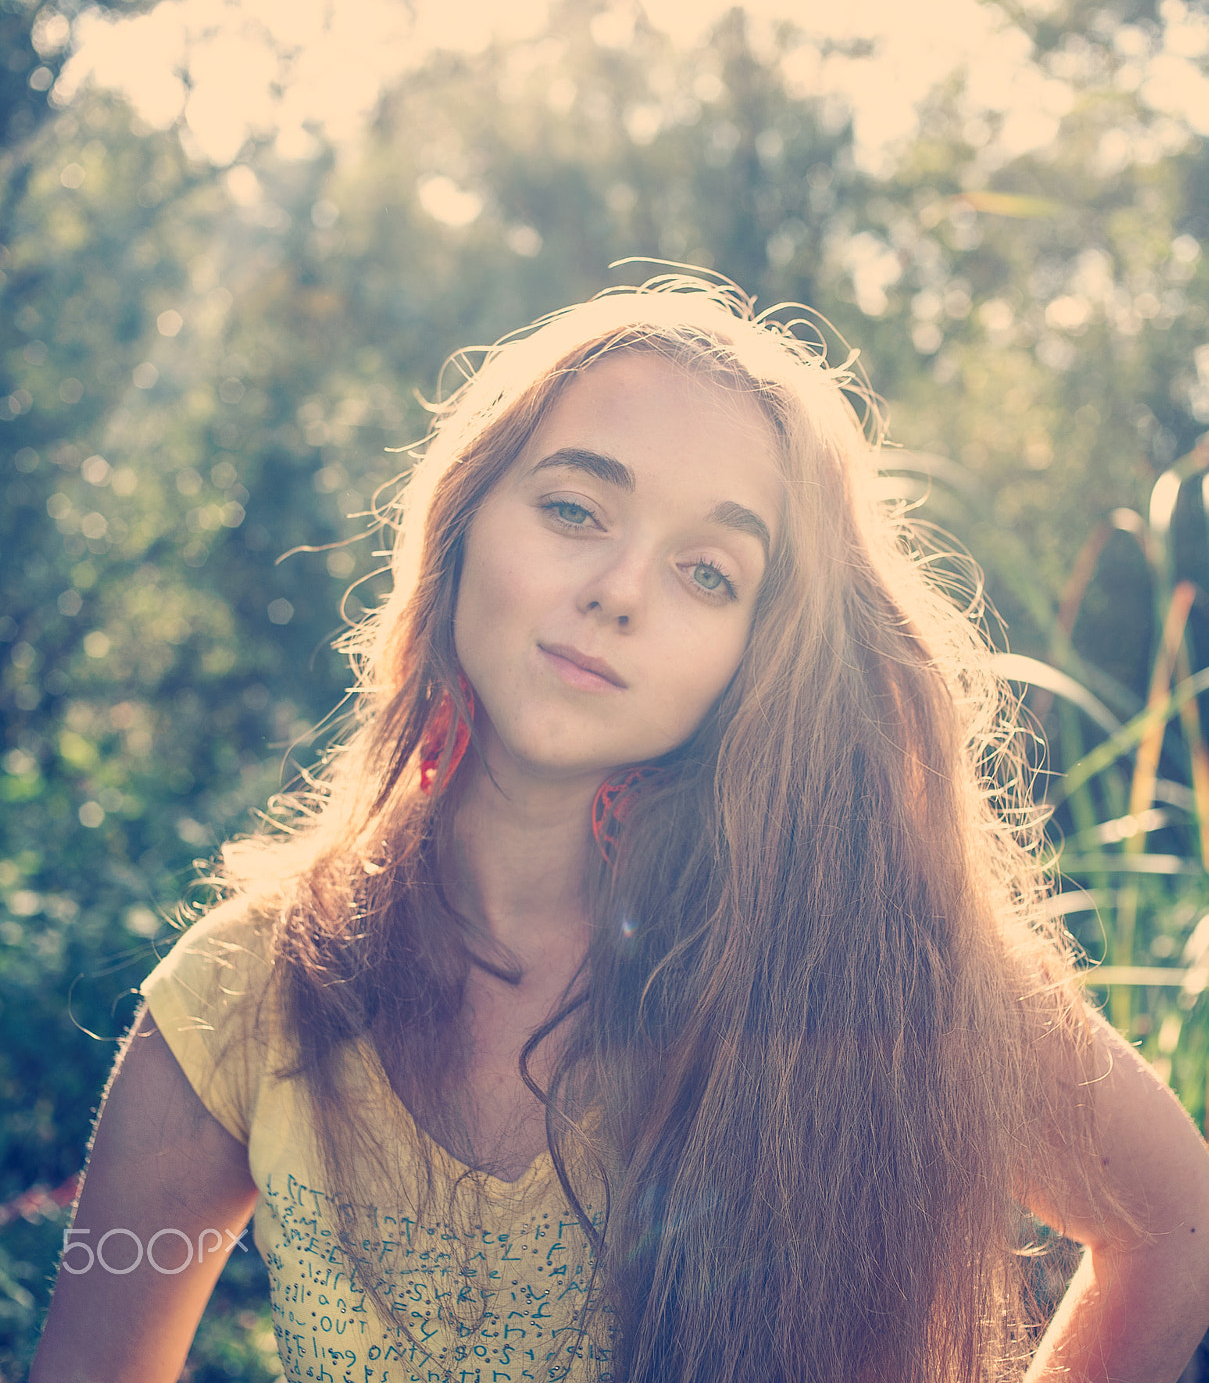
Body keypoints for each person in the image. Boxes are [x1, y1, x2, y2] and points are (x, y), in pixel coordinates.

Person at [31, 275, 1209, 1383]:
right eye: (573, 508)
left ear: (759, 656)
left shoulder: (869, 958)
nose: (621, 589)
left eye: (708, 572)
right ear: (458, 526)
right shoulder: (245, 991)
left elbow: (1179, 1226)